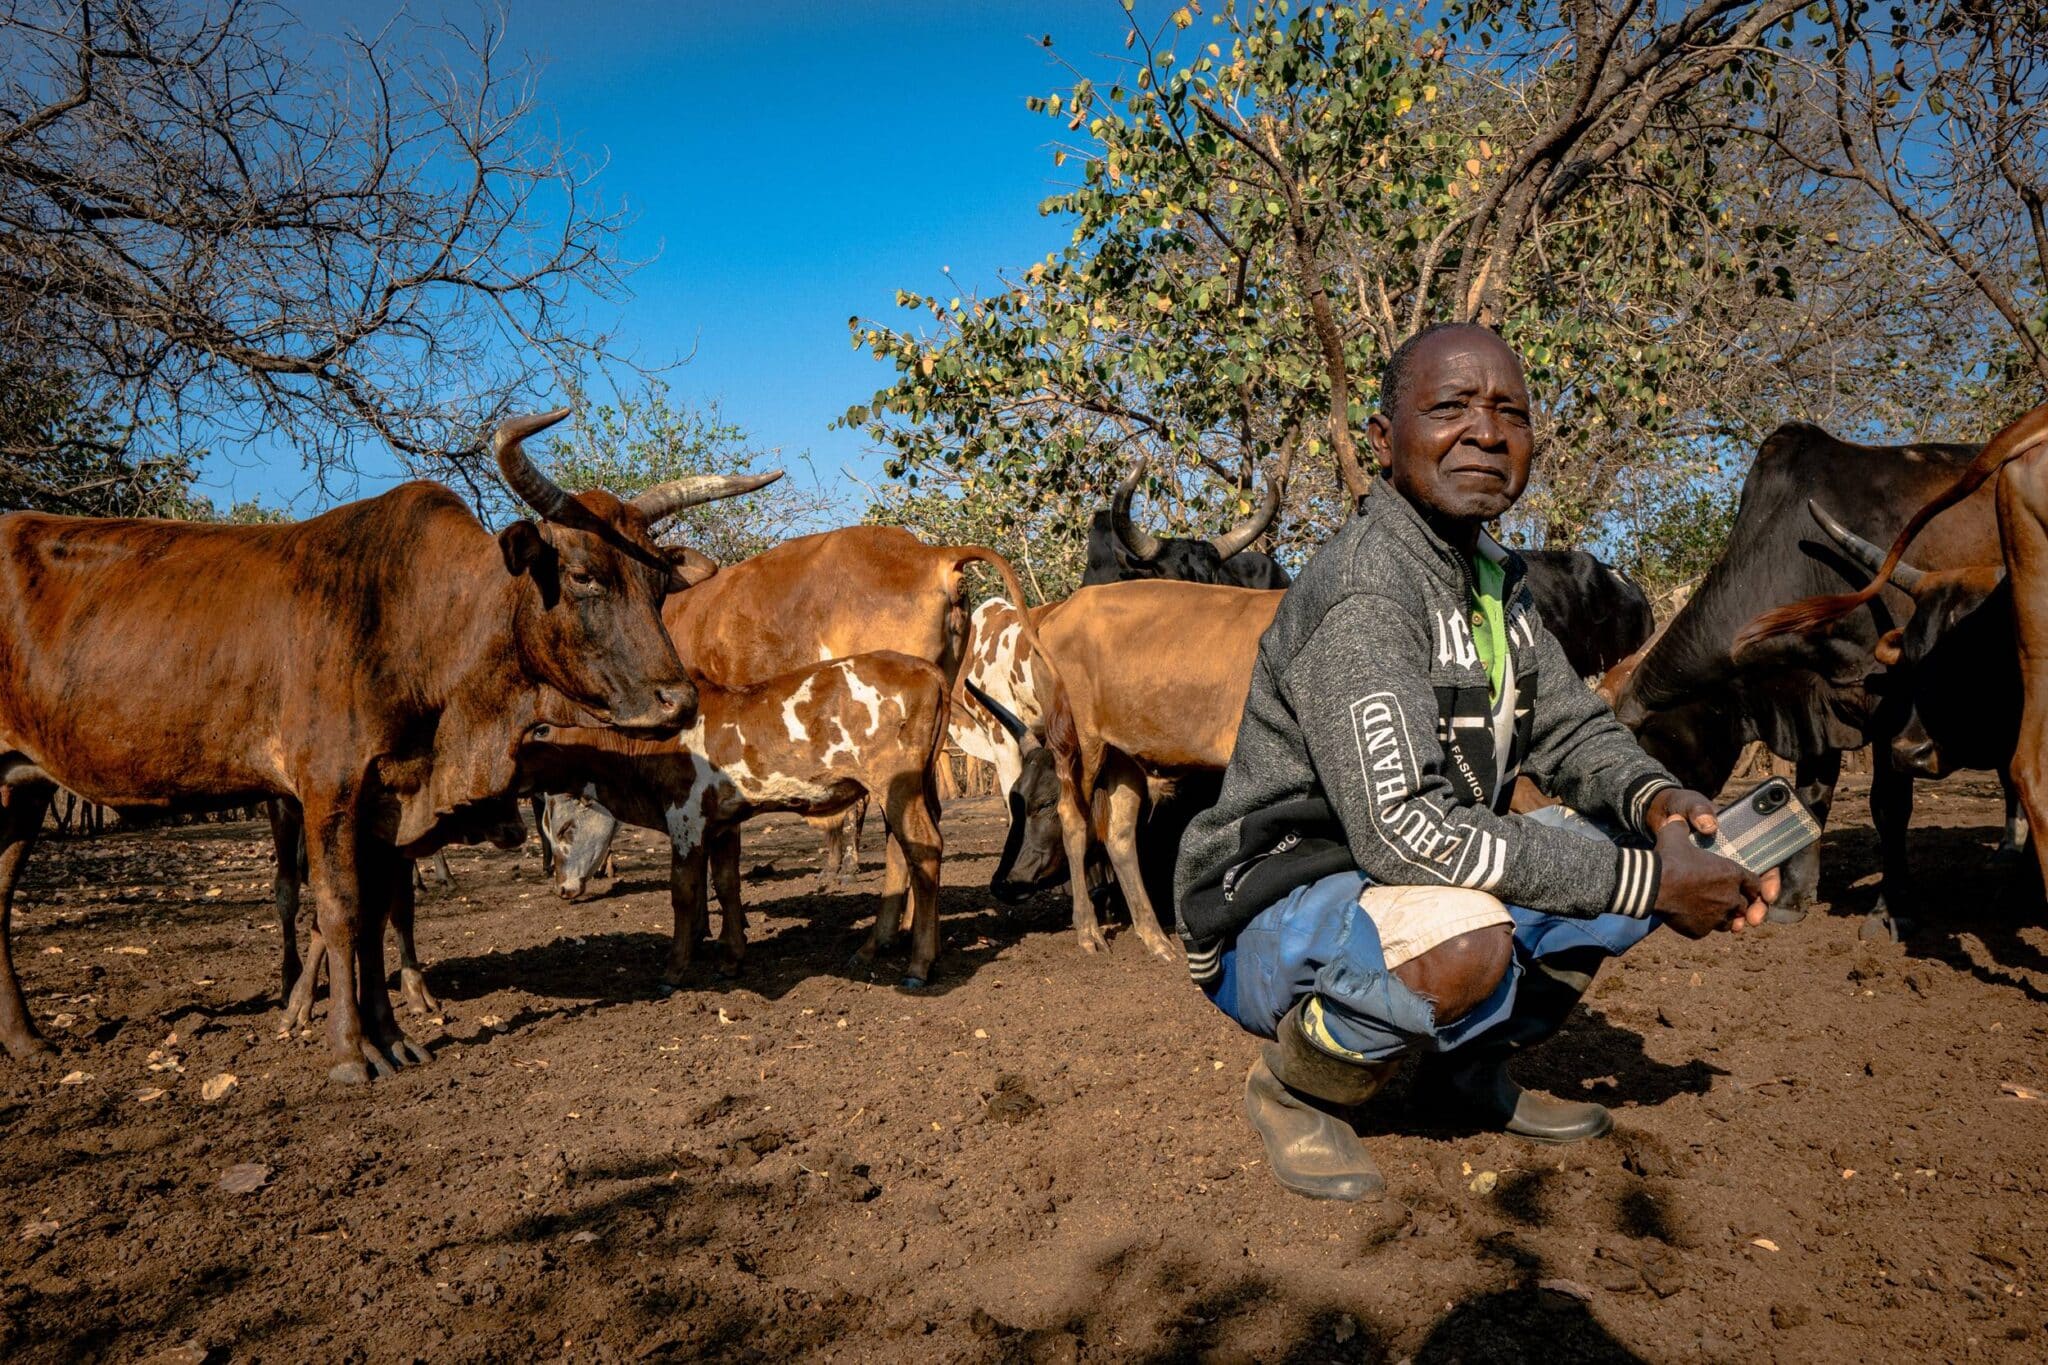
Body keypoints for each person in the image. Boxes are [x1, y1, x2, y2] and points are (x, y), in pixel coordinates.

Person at [1173, 322, 1780, 1202]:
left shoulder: (1495, 576)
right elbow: (1406, 832)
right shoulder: (1367, 588)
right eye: (1450, 407)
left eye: (1511, 413)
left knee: (1643, 846)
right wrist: (1649, 882)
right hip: (1273, 904)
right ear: (1384, 442)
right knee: (1475, 935)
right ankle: (1298, 1087)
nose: (1487, 433)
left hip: (1393, 882)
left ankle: (1467, 1072)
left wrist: (1657, 801)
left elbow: (1569, 727)